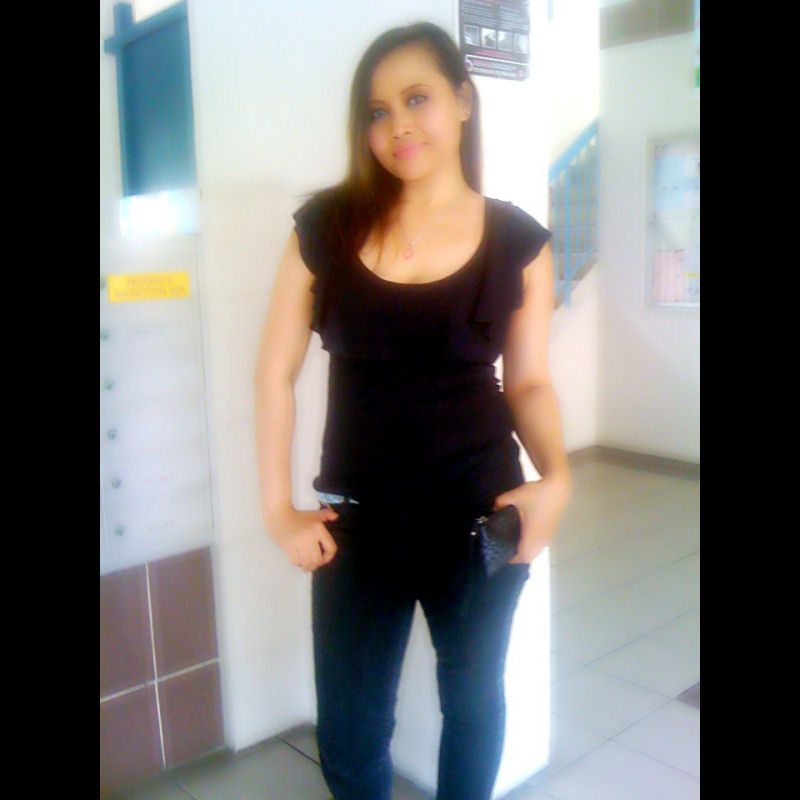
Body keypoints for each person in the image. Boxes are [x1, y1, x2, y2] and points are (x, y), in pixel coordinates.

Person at [254, 21, 571, 800]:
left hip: (480, 515)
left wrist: (558, 478)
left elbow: (529, 382)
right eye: (377, 110)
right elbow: (273, 374)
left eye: (417, 98)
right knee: (350, 730)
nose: (397, 124)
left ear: (462, 100)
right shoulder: (326, 228)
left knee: (474, 702)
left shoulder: (518, 243)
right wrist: (278, 510)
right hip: (356, 524)